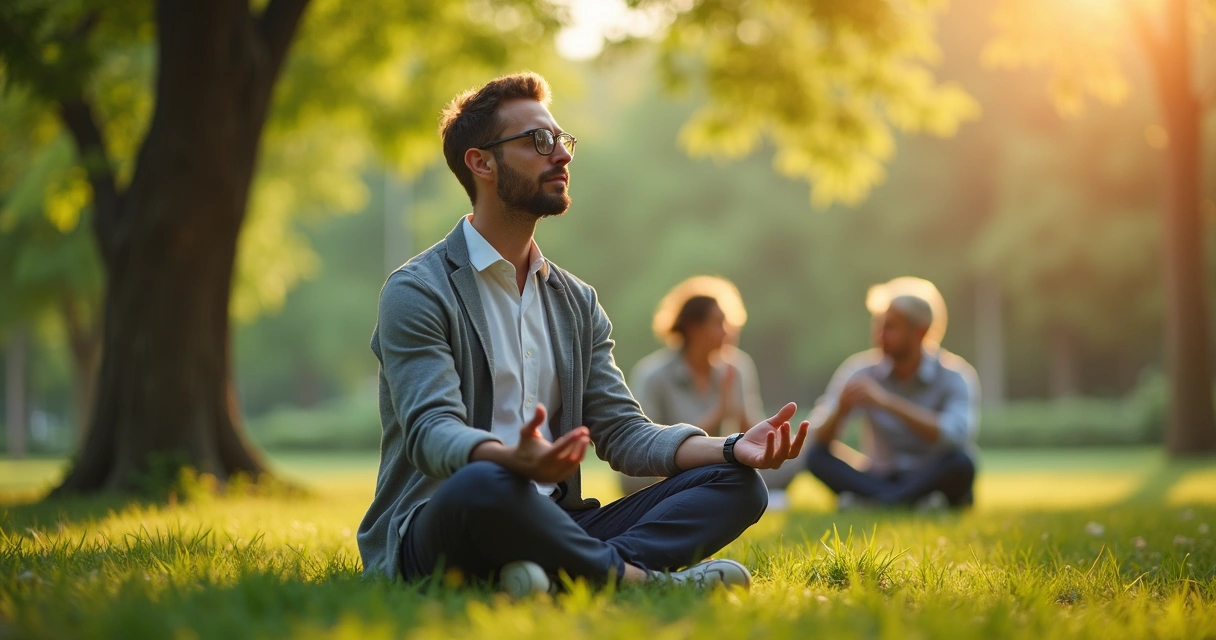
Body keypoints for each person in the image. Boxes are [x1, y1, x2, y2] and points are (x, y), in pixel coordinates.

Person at [357, 72, 808, 596]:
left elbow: (623, 432)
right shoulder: (419, 291)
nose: (562, 155)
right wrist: (509, 459)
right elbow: (430, 432)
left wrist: (731, 447)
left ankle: (558, 575)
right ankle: (636, 580)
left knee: (737, 486)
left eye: (561, 140)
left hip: (559, 521)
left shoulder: (576, 302)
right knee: (486, 483)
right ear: (481, 163)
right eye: (538, 142)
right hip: (446, 519)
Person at [625, 277, 801, 509]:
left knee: (799, 455)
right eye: (719, 323)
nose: (728, 331)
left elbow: (749, 429)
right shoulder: (653, 376)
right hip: (663, 475)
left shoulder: (736, 368)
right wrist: (719, 413)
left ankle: (749, 493)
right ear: (692, 327)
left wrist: (771, 440)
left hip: (719, 465)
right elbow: (646, 449)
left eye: (728, 322)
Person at [805, 277, 979, 510]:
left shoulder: (955, 376)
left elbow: (955, 436)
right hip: (878, 475)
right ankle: (907, 501)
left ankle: (872, 501)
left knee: (962, 463)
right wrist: (840, 410)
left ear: (920, 332)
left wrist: (887, 403)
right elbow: (818, 437)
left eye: (890, 327)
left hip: (928, 474)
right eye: (878, 325)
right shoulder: (859, 371)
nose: (879, 335)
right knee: (815, 456)